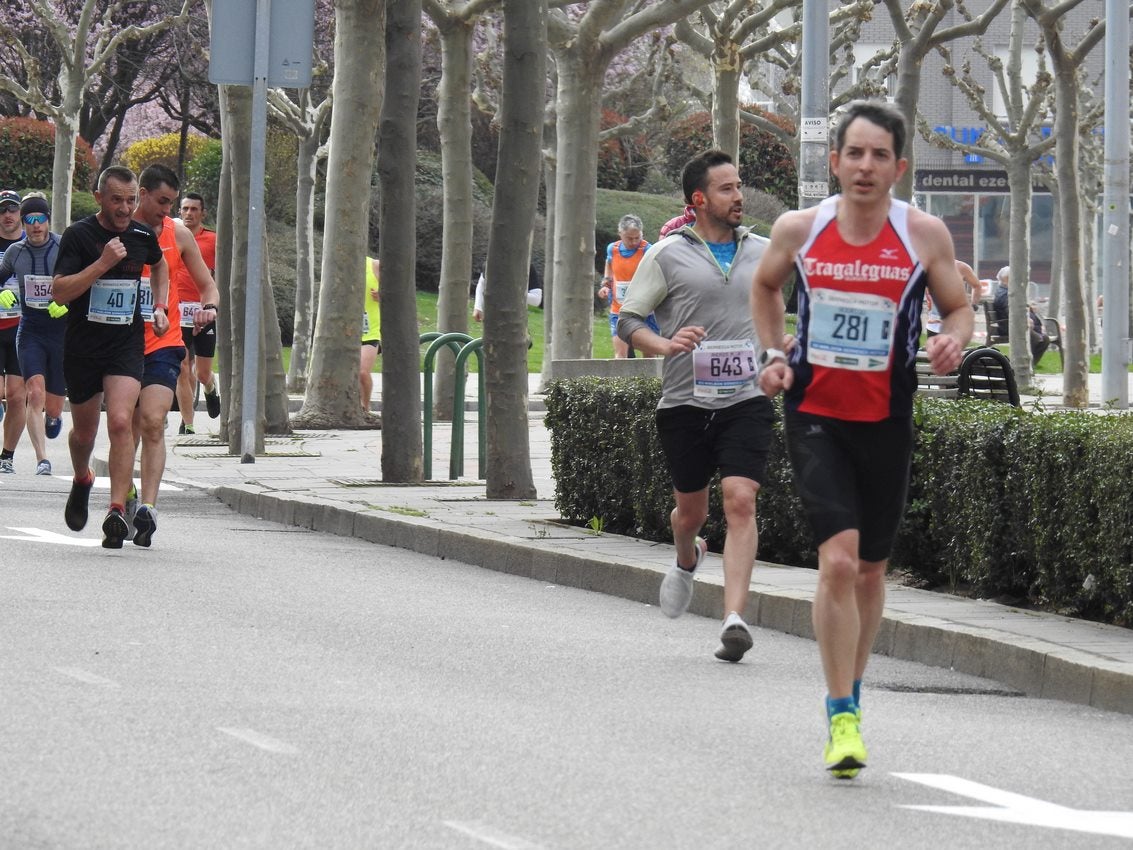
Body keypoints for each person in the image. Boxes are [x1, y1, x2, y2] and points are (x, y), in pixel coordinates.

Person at [752, 100, 973, 778]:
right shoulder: (798, 228)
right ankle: (839, 710)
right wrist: (770, 353)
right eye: (855, 153)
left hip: (886, 418)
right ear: (834, 161)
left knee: (872, 569)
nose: (865, 167)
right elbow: (764, 288)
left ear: (898, 166)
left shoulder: (923, 234)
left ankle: (853, 689)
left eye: (879, 156)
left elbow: (958, 307)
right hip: (814, 413)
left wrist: (952, 340)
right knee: (839, 564)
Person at [616, 149, 773, 664]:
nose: (739, 196)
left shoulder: (763, 251)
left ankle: (734, 618)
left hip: (746, 399)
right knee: (691, 513)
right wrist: (664, 345)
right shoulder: (665, 254)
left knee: (740, 499)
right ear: (699, 199)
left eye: (740, 185)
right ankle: (687, 559)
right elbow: (628, 319)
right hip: (684, 401)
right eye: (727, 188)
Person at [52, 165, 171, 548]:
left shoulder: (140, 235)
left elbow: (160, 266)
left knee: (121, 421)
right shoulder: (79, 235)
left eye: (131, 199)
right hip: (84, 346)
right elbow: (59, 292)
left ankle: (116, 510)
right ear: (100, 197)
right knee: (84, 432)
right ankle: (82, 477)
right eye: (117, 199)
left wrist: (160, 305)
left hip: (125, 342)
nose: (125, 208)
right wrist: (102, 263)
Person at [127, 165, 219, 547]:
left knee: (151, 420)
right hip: (119, 342)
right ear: (143, 194)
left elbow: (208, 285)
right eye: (163, 202)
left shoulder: (178, 234)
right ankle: (121, 495)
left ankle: (148, 506)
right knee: (123, 424)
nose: (170, 211)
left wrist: (209, 309)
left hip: (164, 339)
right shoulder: (115, 230)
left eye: (173, 204)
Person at [0, 194, 68, 475]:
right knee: (33, 392)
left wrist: (66, 302)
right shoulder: (16, 252)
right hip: (29, 330)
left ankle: (53, 418)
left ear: (47, 220)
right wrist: (1, 292)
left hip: (59, 331)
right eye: (30, 220)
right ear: (24, 223)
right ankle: (42, 460)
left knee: (52, 406)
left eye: (41, 219)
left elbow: (84, 282)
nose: (36, 225)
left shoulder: (62, 246)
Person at [174, 192, 221, 433]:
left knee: (200, 373)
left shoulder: (212, 240)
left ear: (202, 213)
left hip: (204, 312)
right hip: (177, 311)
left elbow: (218, 276)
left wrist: (212, 306)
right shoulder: (172, 236)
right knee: (182, 365)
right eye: (185, 209)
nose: (189, 213)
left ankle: (211, 387)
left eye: (194, 209)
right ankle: (188, 423)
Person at [596, 214, 658, 358]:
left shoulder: (648, 250)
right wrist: (606, 284)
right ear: (620, 234)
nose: (634, 241)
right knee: (620, 355)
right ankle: (622, 381)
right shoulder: (613, 249)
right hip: (619, 310)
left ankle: (651, 381)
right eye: (629, 238)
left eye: (638, 237)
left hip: (645, 311)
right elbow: (609, 264)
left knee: (649, 355)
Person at [0, 189, 28, 473]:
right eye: (2, 211)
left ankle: (6, 455)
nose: (7, 215)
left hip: (23, 329)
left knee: (18, 396)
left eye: (12, 210)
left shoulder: (30, 242)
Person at [992, 266, 1049, 365]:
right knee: (1039, 339)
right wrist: (1026, 319)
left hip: (1016, 325)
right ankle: (1021, 365)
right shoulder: (1006, 294)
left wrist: (1029, 308)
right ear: (1007, 279)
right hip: (1011, 327)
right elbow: (1011, 312)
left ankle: (1028, 365)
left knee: (1043, 338)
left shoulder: (1006, 291)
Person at [925, 260, 981, 337]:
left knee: (953, 348)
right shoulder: (927, 267)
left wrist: (973, 305)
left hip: (955, 323)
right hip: (933, 322)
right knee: (934, 348)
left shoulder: (961, 267)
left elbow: (976, 285)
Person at [360, 256, 381, 413]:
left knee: (362, 371)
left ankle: (365, 407)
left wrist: (382, 296)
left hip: (371, 330)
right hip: (344, 329)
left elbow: (396, 293)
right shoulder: (336, 264)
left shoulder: (374, 265)